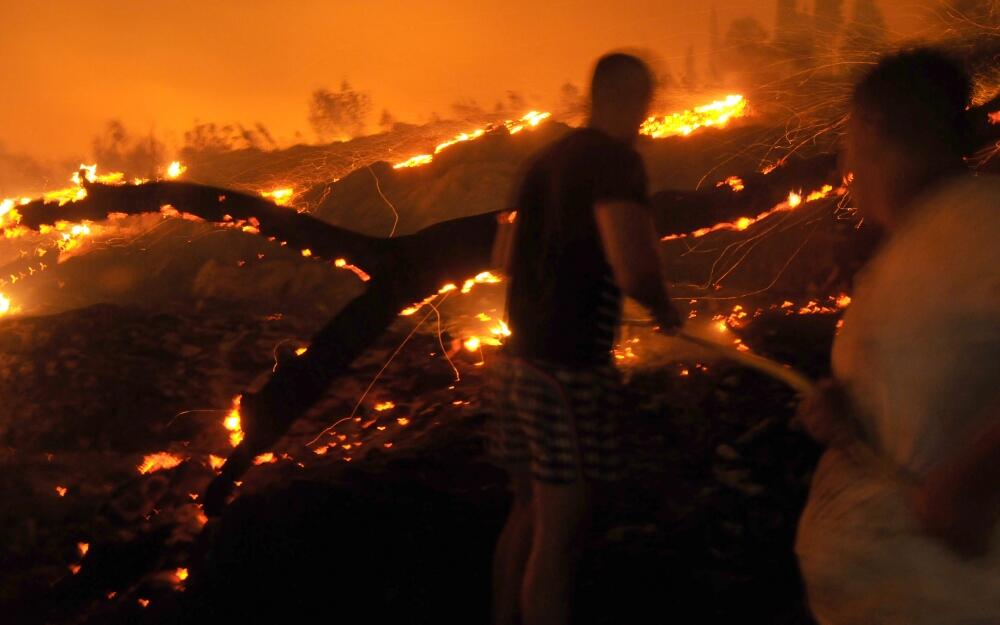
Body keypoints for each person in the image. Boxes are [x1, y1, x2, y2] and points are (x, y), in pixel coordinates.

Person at [795, 48, 1000, 625]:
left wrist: (970, 482)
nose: (845, 167)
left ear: (872, 130)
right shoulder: (911, 243)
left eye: (848, 141)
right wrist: (846, 413)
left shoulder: (982, 223)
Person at [485, 52, 682, 625]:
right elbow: (633, 265)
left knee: (526, 512)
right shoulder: (614, 162)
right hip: (566, 368)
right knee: (560, 534)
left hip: (515, 361)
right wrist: (663, 306)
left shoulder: (542, 160)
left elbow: (502, 260)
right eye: (645, 102)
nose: (647, 117)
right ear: (632, 98)